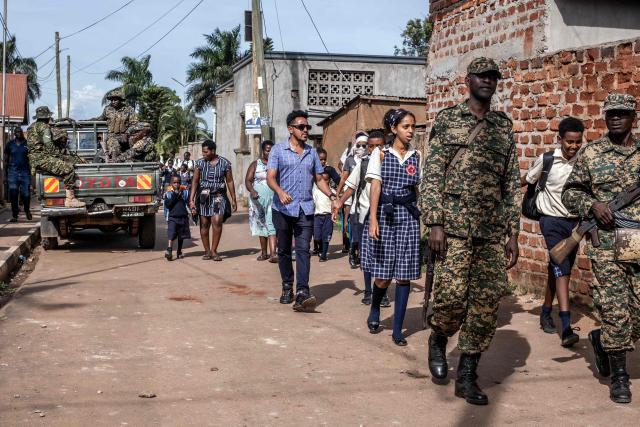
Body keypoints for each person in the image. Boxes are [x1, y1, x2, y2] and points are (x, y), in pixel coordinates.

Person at [420, 57, 520, 406]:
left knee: (486, 305)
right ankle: (438, 337)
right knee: (449, 299)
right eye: (482, 76)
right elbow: (432, 175)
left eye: (494, 77)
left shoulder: (503, 127)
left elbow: (511, 182)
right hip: (454, 230)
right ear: (468, 81)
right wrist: (434, 222)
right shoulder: (448, 120)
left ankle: (467, 375)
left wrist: (513, 233)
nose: (488, 82)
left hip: (491, 232)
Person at [562, 93, 640, 404]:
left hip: (633, 238)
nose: (616, 118)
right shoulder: (591, 153)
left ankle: (601, 339)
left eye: (622, 113)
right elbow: (571, 193)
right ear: (604, 117)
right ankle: (620, 377)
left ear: (633, 117)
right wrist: (592, 205)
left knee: (635, 309)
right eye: (611, 114)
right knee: (614, 307)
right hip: (606, 242)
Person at [360, 109, 421, 347]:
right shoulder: (381, 154)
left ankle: (397, 329)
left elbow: (418, 190)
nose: (411, 131)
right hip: (385, 215)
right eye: (406, 126)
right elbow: (376, 186)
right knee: (384, 275)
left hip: (408, 218)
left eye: (412, 127)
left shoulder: (416, 156)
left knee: (404, 276)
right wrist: (373, 219)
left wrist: (423, 219)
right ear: (393, 129)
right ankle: (375, 307)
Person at [266, 110, 337, 312]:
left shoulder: (312, 153)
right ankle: (287, 286)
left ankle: (302, 291)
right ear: (291, 129)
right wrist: (279, 191)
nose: (306, 130)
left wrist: (332, 196)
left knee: (304, 250)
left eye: (307, 127)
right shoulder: (278, 150)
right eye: (301, 127)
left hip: (305, 208)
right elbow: (271, 177)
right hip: (282, 209)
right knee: (284, 250)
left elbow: (320, 179)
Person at [524, 117, 584, 346]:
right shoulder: (547, 159)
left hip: (574, 224)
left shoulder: (583, 161)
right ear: (560, 140)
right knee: (562, 267)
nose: (573, 146)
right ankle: (566, 327)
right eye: (569, 142)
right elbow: (528, 179)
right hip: (550, 221)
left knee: (556, 267)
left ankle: (546, 312)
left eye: (578, 142)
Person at [333, 129, 388, 305]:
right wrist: (339, 202)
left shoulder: (391, 163)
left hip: (386, 217)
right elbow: (351, 186)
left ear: (385, 146)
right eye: (371, 147)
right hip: (365, 216)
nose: (374, 150)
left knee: (384, 256)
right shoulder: (362, 164)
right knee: (367, 255)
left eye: (379, 146)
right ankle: (368, 290)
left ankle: (382, 292)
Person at [189, 140, 237, 261]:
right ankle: (207, 251)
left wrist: (233, 199)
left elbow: (229, 181)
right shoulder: (199, 163)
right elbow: (195, 181)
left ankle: (214, 250)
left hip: (218, 196)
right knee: (204, 223)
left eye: (206, 152)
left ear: (213, 151)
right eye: (203, 152)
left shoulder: (225, 163)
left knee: (217, 221)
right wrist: (191, 199)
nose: (203, 154)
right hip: (204, 197)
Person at [27, 107, 85, 208]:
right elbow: (48, 143)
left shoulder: (31, 127)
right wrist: (58, 154)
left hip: (34, 158)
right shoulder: (44, 127)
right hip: (42, 158)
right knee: (69, 169)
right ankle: (70, 200)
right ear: (47, 117)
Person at [245, 140, 277, 262]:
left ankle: (273, 253)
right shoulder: (255, 164)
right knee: (261, 226)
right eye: (267, 150)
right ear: (262, 151)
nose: (270, 153)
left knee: (271, 224)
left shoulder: (276, 164)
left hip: (273, 200)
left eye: (272, 150)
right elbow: (248, 180)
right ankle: (264, 253)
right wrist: (252, 191)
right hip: (257, 202)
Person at [92, 90, 137, 161]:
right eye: (112, 100)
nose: (113, 101)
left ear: (120, 100)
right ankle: (114, 163)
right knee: (114, 146)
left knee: (136, 148)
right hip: (112, 136)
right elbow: (100, 118)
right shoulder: (108, 109)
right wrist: (86, 121)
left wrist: (127, 132)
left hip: (125, 136)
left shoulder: (128, 109)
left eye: (115, 100)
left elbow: (134, 123)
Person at [4, 127, 31, 222]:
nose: (18, 133)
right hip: (13, 173)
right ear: (14, 134)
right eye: (17, 132)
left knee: (26, 194)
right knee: (13, 194)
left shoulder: (27, 144)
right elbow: (6, 160)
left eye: (20, 132)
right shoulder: (9, 145)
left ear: (22, 133)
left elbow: (32, 159)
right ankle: (15, 215)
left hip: (25, 173)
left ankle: (27, 210)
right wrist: (5, 175)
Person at [164, 175, 191, 261]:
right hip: (172, 217)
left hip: (183, 216)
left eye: (178, 182)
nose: (177, 184)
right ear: (171, 183)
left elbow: (188, 202)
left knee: (181, 235)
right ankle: (169, 250)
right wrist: (175, 195)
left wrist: (192, 210)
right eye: (174, 182)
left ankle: (179, 251)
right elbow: (168, 205)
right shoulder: (168, 193)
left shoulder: (184, 192)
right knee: (171, 233)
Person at [313, 170, 336, 262]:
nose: (324, 182)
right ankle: (321, 249)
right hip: (317, 217)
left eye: (326, 180)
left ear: (329, 180)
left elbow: (335, 205)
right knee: (317, 237)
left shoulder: (332, 192)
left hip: (328, 217)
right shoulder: (315, 191)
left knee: (326, 237)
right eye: (322, 180)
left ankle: (323, 255)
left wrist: (334, 213)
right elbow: (313, 203)